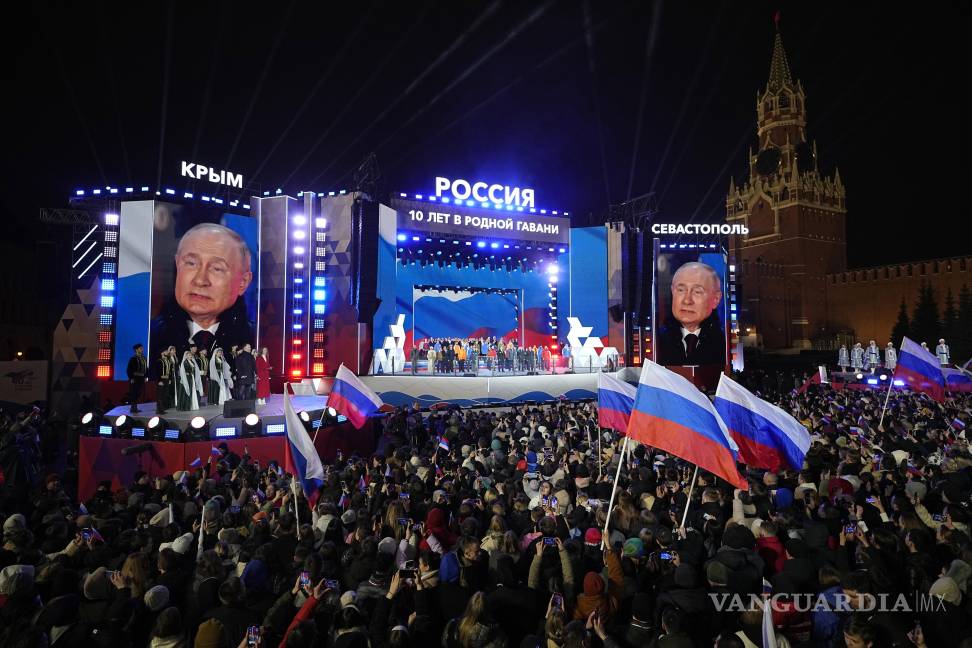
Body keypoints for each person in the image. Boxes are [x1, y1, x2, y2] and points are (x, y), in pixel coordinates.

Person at [150, 222, 254, 358]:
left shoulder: (255, 339)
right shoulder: (149, 337)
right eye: (191, 263)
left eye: (217, 268)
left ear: (243, 283)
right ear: (177, 266)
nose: (200, 280)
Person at [655, 261, 726, 365]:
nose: (687, 300)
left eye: (697, 292)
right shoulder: (656, 341)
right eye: (681, 290)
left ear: (716, 299)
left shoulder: (723, 344)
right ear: (672, 291)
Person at [155, 345, 176, 415]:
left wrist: (170, 379)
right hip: (161, 380)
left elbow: (170, 371)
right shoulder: (159, 361)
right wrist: (159, 381)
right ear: (162, 353)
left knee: (165, 394)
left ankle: (162, 408)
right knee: (160, 395)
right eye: (165, 351)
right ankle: (159, 409)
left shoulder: (168, 361)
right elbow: (157, 372)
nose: (167, 352)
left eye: (167, 351)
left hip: (167, 379)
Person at [126, 343, 147, 413]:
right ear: (136, 350)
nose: (142, 350)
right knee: (134, 392)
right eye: (140, 348)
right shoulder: (133, 359)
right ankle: (133, 408)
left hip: (141, 377)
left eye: (142, 348)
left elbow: (145, 368)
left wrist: (145, 376)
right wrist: (131, 378)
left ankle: (135, 407)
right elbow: (129, 369)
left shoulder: (144, 358)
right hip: (135, 378)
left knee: (139, 392)